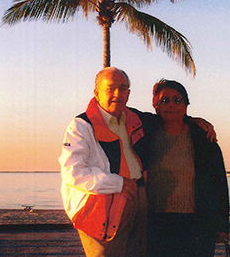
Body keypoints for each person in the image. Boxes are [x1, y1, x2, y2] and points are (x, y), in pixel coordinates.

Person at [59, 68, 216, 257]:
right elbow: (73, 172)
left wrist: (195, 121)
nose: (118, 94)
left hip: (139, 201)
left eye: (123, 88)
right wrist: (118, 183)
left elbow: (168, 116)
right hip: (102, 209)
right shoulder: (81, 126)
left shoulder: (134, 119)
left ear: (129, 93)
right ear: (96, 92)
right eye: (111, 88)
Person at [146, 79, 230, 257]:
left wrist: (222, 226)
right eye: (165, 100)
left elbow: (219, 184)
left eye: (177, 100)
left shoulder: (204, 139)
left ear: (185, 105)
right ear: (155, 104)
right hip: (156, 223)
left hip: (196, 224)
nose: (171, 105)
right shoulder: (146, 132)